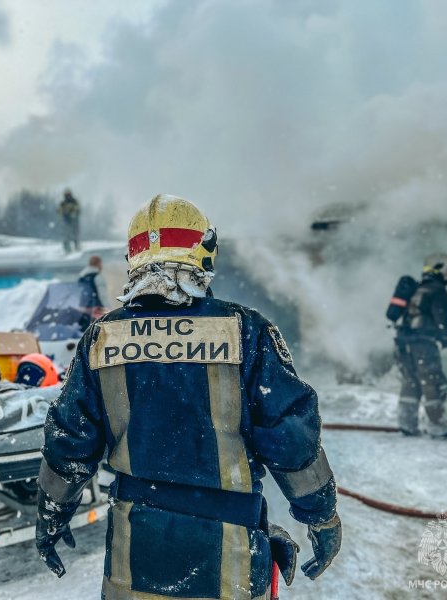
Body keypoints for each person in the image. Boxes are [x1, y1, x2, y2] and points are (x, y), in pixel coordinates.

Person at [35, 194, 341, 599]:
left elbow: (69, 442)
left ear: (133, 258)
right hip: (228, 560)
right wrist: (321, 515)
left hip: (134, 558)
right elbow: (291, 438)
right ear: (205, 253)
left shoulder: (102, 337)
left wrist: (52, 513)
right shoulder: (246, 331)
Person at [393, 253, 447, 436]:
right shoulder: (437, 290)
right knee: (433, 382)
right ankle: (437, 426)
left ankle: (407, 424)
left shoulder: (416, 289)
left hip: (403, 343)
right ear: (438, 269)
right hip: (423, 344)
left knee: (411, 382)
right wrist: (445, 338)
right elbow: (443, 318)